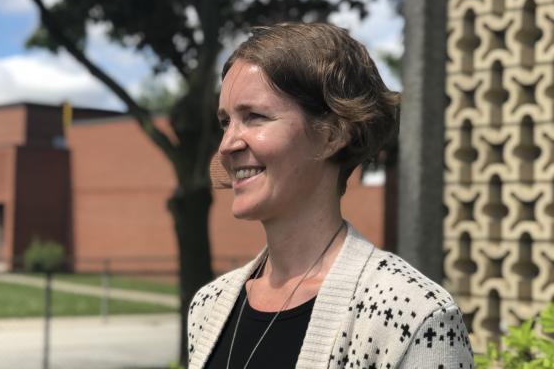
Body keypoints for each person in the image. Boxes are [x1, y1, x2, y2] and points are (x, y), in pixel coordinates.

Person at [187, 22, 473, 369]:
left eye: (255, 117)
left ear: (331, 135)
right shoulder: (207, 307)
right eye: (225, 122)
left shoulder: (413, 314)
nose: (227, 144)